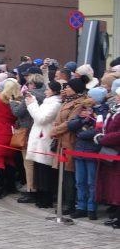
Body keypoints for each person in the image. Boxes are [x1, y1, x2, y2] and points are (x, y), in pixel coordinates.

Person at [50, 78, 93, 215]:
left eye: (68, 87)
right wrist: (55, 128)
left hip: (70, 140)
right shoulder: (68, 101)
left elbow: (71, 122)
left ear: (75, 88)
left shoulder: (80, 103)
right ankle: (63, 202)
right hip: (62, 140)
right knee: (63, 173)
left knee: (69, 174)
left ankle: (70, 204)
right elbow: (59, 119)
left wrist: (55, 130)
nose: (65, 89)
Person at [67, 87, 108, 219]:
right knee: (80, 181)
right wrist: (81, 119)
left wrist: (82, 134)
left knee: (92, 182)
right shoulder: (82, 109)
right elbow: (71, 125)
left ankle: (91, 208)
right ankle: (81, 207)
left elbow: (100, 130)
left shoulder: (103, 112)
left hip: (92, 150)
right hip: (79, 151)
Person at [26, 81, 63, 208]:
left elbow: (41, 119)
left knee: (45, 171)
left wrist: (32, 104)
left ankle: (46, 198)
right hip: (39, 140)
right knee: (38, 170)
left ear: (53, 91)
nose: (45, 91)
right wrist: (33, 102)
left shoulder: (56, 104)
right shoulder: (48, 102)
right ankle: (40, 195)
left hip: (45, 140)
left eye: (47, 89)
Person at [11, 74, 47, 203]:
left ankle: (31, 190)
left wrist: (12, 103)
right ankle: (39, 189)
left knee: (28, 163)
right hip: (41, 132)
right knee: (39, 163)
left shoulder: (30, 95)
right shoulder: (46, 94)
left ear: (32, 84)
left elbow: (18, 112)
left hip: (27, 130)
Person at [95, 85, 120, 228]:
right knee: (114, 187)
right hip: (111, 152)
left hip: (116, 151)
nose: (115, 97)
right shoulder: (114, 110)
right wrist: (99, 134)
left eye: (117, 95)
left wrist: (103, 139)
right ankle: (116, 215)